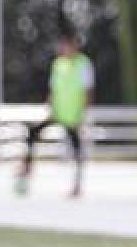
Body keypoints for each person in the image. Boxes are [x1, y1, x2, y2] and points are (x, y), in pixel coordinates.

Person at [16, 30, 93, 198]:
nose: (66, 48)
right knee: (32, 132)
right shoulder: (58, 64)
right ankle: (27, 169)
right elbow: (53, 89)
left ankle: (77, 186)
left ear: (75, 45)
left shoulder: (83, 64)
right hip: (57, 113)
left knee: (77, 150)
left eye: (69, 44)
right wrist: (50, 106)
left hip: (73, 116)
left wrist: (83, 116)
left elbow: (88, 92)